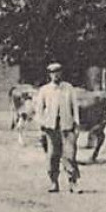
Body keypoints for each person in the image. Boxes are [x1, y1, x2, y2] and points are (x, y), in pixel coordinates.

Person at [34, 61, 81, 194]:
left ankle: (73, 183)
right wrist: (42, 125)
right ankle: (54, 182)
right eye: (53, 73)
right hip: (51, 127)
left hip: (67, 126)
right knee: (53, 155)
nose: (56, 76)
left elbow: (75, 107)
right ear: (49, 75)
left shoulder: (68, 88)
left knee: (70, 155)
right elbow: (39, 110)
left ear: (61, 73)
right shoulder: (45, 90)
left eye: (58, 73)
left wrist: (76, 124)